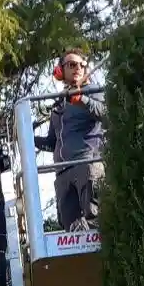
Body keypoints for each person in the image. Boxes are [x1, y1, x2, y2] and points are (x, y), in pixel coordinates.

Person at [37, 48, 106, 233]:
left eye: (81, 65)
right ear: (60, 71)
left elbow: (106, 113)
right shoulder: (59, 103)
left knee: (95, 222)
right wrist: (29, 138)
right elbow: (52, 142)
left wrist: (82, 99)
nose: (77, 68)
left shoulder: (92, 91)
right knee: (70, 231)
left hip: (87, 164)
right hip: (63, 173)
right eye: (71, 64)